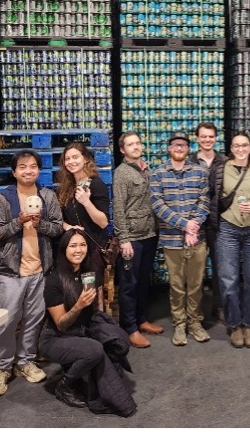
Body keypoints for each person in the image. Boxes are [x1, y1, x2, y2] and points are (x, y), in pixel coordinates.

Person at [0, 150, 64, 397]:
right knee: (7, 321)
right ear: (14, 172)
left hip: (40, 270)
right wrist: (18, 222)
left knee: (33, 319)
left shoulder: (47, 196)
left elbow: (57, 228)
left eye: (33, 166)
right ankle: (2, 367)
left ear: (39, 170)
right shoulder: (3, 199)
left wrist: (39, 224)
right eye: (22, 167)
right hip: (11, 271)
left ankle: (25, 361)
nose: (28, 171)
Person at [39, 228, 136, 417]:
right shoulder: (54, 280)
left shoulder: (90, 273)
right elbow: (61, 324)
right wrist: (79, 305)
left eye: (82, 245)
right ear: (64, 249)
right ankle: (65, 386)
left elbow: (97, 311)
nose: (78, 250)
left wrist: (106, 329)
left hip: (81, 330)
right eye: (73, 246)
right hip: (55, 338)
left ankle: (88, 376)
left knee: (116, 338)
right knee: (94, 350)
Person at [208, 132, 250, 348]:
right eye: (236, 145)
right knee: (228, 280)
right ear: (231, 148)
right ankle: (234, 324)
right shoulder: (219, 169)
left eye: (244, 145)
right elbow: (211, 197)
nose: (240, 149)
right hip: (227, 228)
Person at [150, 131, 211, 346]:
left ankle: (195, 322)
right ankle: (179, 323)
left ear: (188, 148)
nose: (179, 148)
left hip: (197, 239)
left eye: (183, 145)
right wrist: (184, 224)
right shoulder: (158, 174)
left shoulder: (200, 172)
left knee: (196, 284)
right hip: (171, 240)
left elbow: (205, 201)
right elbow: (158, 205)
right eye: (175, 144)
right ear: (169, 148)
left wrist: (194, 226)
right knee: (176, 286)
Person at [114, 132, 164, 349]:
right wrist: (123, 239)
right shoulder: (121, 173)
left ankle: (141, 319)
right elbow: (118, 208)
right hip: (132, 237)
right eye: (130, 144)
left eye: (137, 143)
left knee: (144, 281)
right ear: (122, 150)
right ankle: (130, 328)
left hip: (150, 234)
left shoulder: (146, 169)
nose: (135, 147)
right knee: (129, 284)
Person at [58, 142, 111, 294]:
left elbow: (103, 222)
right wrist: (68, 227)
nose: (71, 161)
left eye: (75, 157)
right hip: (72, 251)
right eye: (67, 159)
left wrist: (86, 202)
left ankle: (95, 311)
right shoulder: (66, 187)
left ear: (85, 159)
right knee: (73, 293)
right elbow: (58, 218)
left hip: (91, 251)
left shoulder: (96, 184)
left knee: (90, 292)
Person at [188, 122, 228, 323]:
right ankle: (195, 312)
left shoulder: (225, 162)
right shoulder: (189, 161)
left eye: (211, 136)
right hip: (196, 223)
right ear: (197, 138)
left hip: (218, 222)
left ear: (216, 138)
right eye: (203, 136)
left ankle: (219, 306)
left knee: (221, 267)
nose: (207, 140)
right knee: (194, 270)